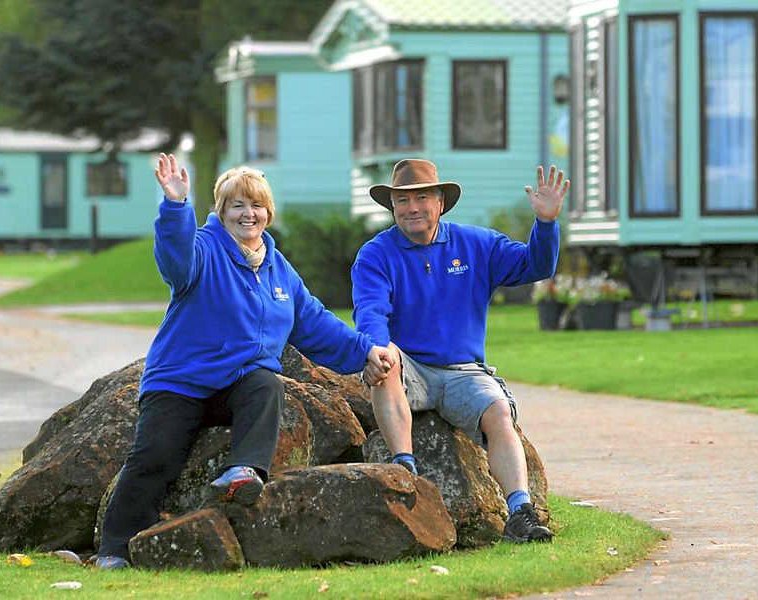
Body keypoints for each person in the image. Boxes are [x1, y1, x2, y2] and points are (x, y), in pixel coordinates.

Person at [96, 154, 392, 569]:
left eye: (255, 205)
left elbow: (314, 323)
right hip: (181, 381)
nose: (247, 214)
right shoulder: (203, 249)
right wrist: (176, 206)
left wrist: (363, 351)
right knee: (154, 459)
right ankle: (114, 548)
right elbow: (175, 260)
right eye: (237, 205)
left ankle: (244, 471)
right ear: (221, 211)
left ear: (268, 214)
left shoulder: (278, 268)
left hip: (236, 385)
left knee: (266, 382)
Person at [351, 159, 569, 543]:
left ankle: (519, 511)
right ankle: (406, 476)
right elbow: (371, 312)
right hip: (409, 367)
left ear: (440, 203)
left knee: (499, 411)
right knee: (384, 360)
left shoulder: (477, 244)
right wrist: (375, 348)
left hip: (463, 370)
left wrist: (547, 223)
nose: (412, 208)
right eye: (402, 201)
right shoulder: (375, 254)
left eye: (421, 198)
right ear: (392, 208)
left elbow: (535, 265)